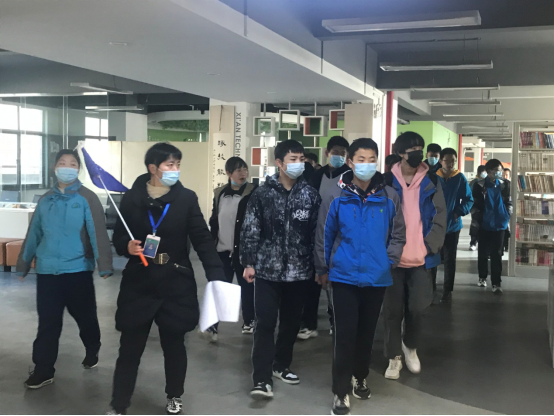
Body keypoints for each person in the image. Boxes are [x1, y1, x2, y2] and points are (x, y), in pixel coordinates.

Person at [108, 143, 226, 416]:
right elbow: (120, 236)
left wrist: (216, 275)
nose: (175, 170)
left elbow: (201, 238)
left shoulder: (186, 198)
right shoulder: (132, 198)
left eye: (178, 165)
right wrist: (127, 246)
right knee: (130, 348)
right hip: (139, 282)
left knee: (174, 345)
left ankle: (175, 395)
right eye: (169, 165)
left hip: (175, 281)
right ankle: (119, 403)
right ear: (153, 168)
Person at [314, 139, 406, 416]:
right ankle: (340, 391)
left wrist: (389, 260)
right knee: (344, 335)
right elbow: (324, 234)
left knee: (366, 333)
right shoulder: (336, 195)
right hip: (343, 276)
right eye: (361, 159)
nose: (366, 164)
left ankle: (360, 376)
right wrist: (322, 268)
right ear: (351, 162)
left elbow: (398, 234)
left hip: (377, 276)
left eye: (371, 159)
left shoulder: (389, 196)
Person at [17, 149, 113, 390]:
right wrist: (23, 264)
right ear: (54, 168)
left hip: (77, 270)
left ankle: (92, 347)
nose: (67, 167)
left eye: (72, 164)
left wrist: (104, 265)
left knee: (85, 318)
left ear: (78, 169)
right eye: (62, 163)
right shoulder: (45, 200)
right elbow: (34, 233)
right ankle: (43, 369)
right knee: (48, 323)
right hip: (47, 271)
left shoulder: (87, 198)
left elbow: (97, 233)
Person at [241, 140, 321, 400]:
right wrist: (249, 262)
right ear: (279, 163)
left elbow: (316, 234)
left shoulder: (310, 195)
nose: (299, 164)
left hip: (299, 271)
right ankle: (261, 378)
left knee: (290, 323)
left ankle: (281, 365)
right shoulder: (262, 194)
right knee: (265, 323)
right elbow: (250, 229)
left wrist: (318, 266)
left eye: (301, 159)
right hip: (267, 270)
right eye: (293, 159)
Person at [383, 132, 446, 381]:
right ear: (400, 153)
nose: (418, 153)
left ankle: (410, 346)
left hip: (421, 258)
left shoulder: (431, 180)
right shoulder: (386, 181)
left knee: (418, 307)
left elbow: (440, 215)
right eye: (413, 150)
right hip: (392, 258)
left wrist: (429, 246)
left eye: (420, 148)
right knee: (392, 310)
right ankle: (393, 356)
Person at [299, 135, 350, 340]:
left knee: (336, 284)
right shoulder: (317, 175)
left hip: (340, 235)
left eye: (342, 153)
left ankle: (335, 321)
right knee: (312, 282)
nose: (338, 156)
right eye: (335, 152)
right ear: (327, 153)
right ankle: (309, 324)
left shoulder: (349, 176)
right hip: (315, 234)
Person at [208, 157, 257, 341]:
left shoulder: (254, 192)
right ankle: (213, 326)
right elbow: (214, 220)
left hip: (244, 251)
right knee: (220, 287)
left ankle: (249, 321)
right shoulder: (220, 193)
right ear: (228, 173)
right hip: (222, 250)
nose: (243, 173)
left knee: (247, 288)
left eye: (245, 169)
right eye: (238, 170)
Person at [436, 148, 474, 303]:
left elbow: (469, 199)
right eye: (447, 161)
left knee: (450, 260)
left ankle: (447, 290)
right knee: (432, 259)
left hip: (453, 226)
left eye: (453, 161)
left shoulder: (459, 178)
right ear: (441, 161)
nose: (450, 164)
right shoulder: (433, 177)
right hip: (434, 226)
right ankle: (430, 289)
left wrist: (458, 212)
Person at [472, 159, 513, 294]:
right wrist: (477, 217)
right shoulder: (479, 185)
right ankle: (482, 277)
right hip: (484, 224)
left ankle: (496, 282)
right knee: (483, 253)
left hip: (500, 224)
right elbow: (474, 203)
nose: (499, 173)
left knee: (497, 253)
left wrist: (507, 214)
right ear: (488, 172)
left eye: (500, 170)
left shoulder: (505, 184)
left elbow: (509, 201)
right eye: (496, 171)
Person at [469, 165, 487, 250]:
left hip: (485, 208)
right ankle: (473, 243)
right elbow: (469, 195)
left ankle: (481, 243)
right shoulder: (474, 183)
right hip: (475, 208)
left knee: (483, 226)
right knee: (475, 226)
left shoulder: (487, 182)